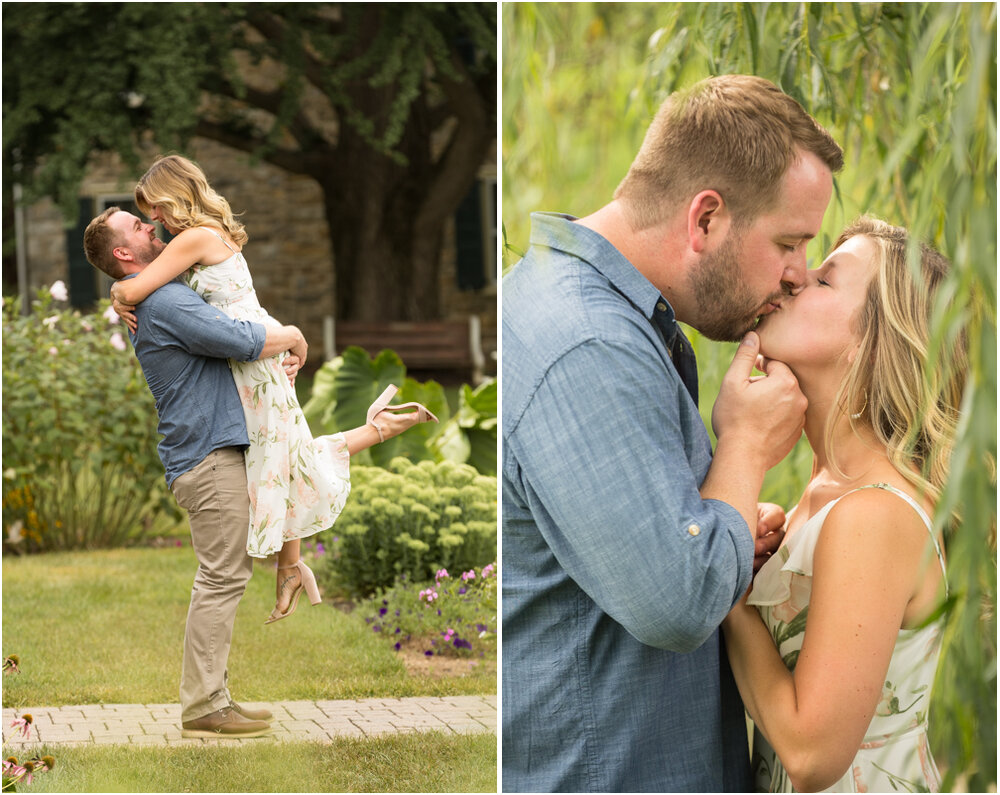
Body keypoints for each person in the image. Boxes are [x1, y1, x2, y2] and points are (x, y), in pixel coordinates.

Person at [501, 74, 844, 792]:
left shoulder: (610, 320)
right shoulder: (588, 344)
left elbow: (649, 552)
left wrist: (723, 524)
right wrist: (746, 446)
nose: (799, 275)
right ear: (706, 220)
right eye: (789, 242)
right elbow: (674, 601)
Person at [83, 206, 427, 737]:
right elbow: (241, 340)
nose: (151, 227)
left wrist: (120, 293)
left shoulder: (154, 294)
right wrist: (290, 334)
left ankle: (213, 698)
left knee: (224, 576)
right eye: (137, 226)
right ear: (124, 254)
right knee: (221, 578)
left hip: (208, 451)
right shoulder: (166, 299)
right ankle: (204, 707)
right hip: (207, 455)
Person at [109, 155, 436, 623]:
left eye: (155, 208)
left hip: (253, 354)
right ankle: (293, 561)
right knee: (282, 452)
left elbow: (136, 289)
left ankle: (291, 565)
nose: (153, 219)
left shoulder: (194, 238)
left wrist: (117, 294)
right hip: (258, 348)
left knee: (277, 457)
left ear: (174, 196)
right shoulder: (205, 235)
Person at [722, 216, 964, 792]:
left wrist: (722, 582)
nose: (794, 279)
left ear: (870, 342)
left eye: (825, 282)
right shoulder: (825, 494)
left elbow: (809, 753)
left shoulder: (875, 513)